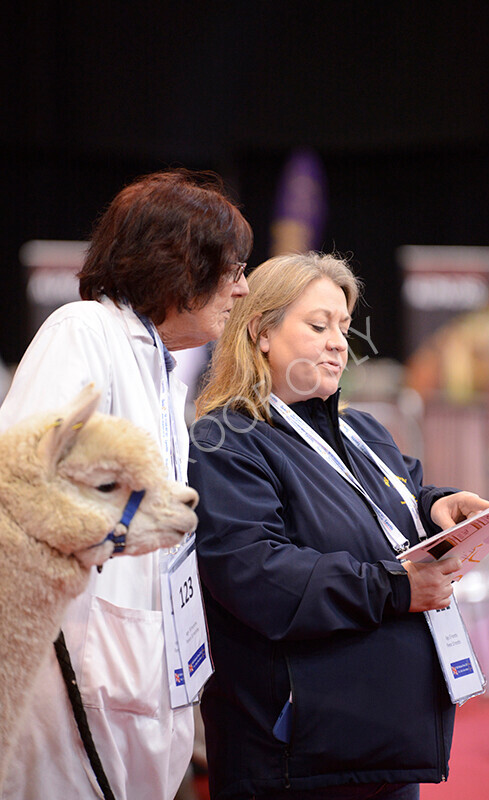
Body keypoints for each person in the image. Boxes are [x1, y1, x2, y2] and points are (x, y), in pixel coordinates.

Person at [187, 252, 489, 800]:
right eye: (318, 325)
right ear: (260, 331)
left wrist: (436, 507)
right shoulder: (226, 441)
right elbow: (256, 574)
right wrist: (396, 585)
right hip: (295, 759)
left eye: (345, 328)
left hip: (385, 745)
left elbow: (390, 502)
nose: (338, 342)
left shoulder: (362, 431)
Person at [0, 168, 252, 800]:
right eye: (233, 268)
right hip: (77, 675)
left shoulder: (163, 369)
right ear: (181, 263)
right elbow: (23, 481)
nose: (243, 288)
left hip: (142, 673)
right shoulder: (82, 331)